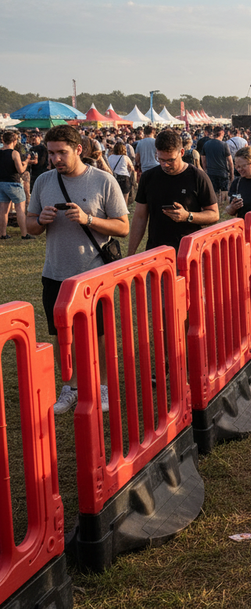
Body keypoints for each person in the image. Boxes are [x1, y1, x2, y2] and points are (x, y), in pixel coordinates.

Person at [26, 125, 129, 414]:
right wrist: (41, 221)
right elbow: (30, 226)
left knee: (100, 334)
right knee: (60, 335)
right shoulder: (44, 181)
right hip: (56, 272)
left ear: (79, 150)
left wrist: (89, 220)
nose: (55, 159)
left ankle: (104, 386)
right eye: (51, 153)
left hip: (94, 275)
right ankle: (69, 386)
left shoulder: (103, 181)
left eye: (62, 153)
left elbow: (123, 227)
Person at [128, 128, 219, 255]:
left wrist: (188, 216)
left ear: (181, 152)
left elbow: (214, 214)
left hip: (189, 253)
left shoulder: (197, 176)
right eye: (161, 159)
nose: (165, 164)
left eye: (170, 160)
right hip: (156, 252)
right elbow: (140, 217)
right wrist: (130, 254)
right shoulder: (148, 177)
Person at [0, 130, 34, 240]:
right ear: (14, 141)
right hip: (13, 183)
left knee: (3, 210)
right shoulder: (14, 153)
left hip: (1, 183)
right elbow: (20, 171)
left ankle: (3, 234)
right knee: (20, 208)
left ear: (3, 140)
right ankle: (24, 234)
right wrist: (27, 162)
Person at [201, 126, 234, 205]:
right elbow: (230, 162)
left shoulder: (206, 144)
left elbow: (203, 160)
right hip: (223, 173)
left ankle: (216, 207)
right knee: (224, 193)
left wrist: (205, 170)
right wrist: (232, 175)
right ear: (222, 133)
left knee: (214, 193)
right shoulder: (224, 145)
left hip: (211, 172)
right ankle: (222, 208)